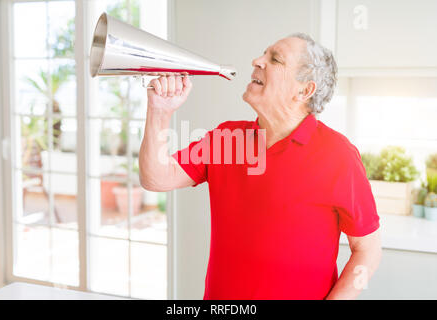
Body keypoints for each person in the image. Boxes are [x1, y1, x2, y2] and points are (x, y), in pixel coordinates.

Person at [139, 33, 382, 300]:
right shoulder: (227, 140)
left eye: (275, 59)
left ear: (304, 90)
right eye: (262, 54)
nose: (256, 61)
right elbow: (156, 178)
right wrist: (160, 111)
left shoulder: (339, 155)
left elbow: (367, 250)